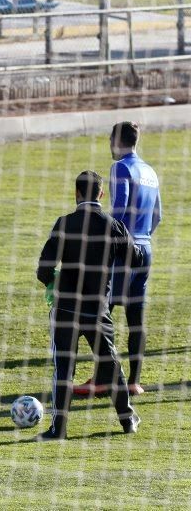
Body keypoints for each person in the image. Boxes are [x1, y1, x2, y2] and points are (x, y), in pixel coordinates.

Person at [36, 171, 143, 440]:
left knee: (64, 367)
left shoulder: (63, 224)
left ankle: (58, 429)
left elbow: (43, 270)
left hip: (66, 310)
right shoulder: (113, 225)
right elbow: (136, 260)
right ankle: (127, 420)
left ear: (77, 193)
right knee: (110, 364)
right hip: (97, 310)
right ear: (101, 194)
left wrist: (54, 282)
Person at [74, 122, 161, 397]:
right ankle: (134, 381)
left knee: (101, 312)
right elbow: (158, 214)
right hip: (145, 249)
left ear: (116, 140)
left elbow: (120, 209)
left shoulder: (120, 167)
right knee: (136, 317)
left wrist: (112, 243)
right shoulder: (150, 171)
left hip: (123, 248)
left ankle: (102, 378)